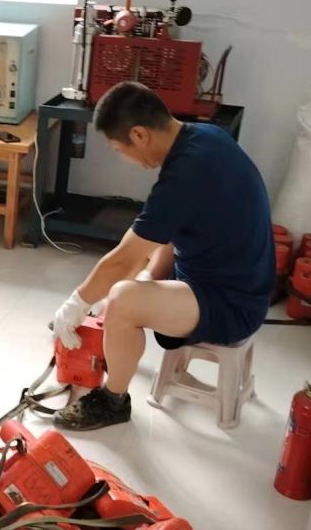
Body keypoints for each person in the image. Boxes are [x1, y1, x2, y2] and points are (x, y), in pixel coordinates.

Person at [51, 82, 274, 431]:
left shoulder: (184, 175)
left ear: (139, 135)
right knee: (133, 274)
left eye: (119, 149)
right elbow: (169, 232)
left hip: (231, 304)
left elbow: (123, 260)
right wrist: (148, 279)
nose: (124, 159)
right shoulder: (206, 137)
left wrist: (75, 304)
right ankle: (121, 327)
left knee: (121, 298)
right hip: (236, 280)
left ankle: (112, 401)